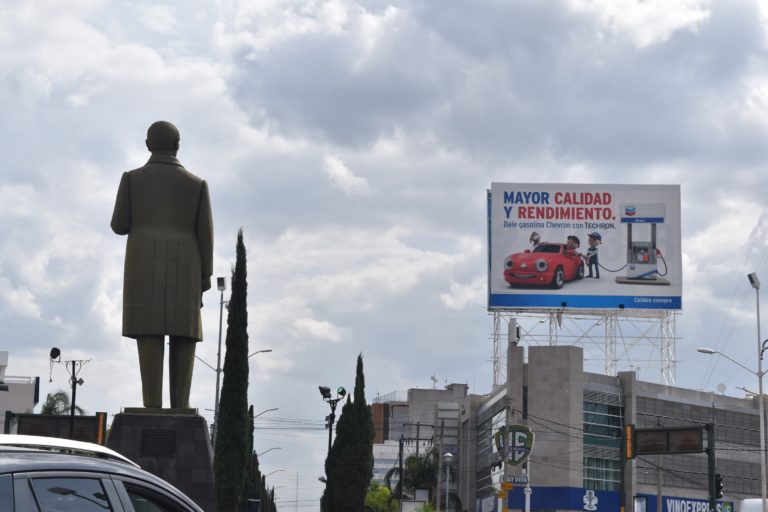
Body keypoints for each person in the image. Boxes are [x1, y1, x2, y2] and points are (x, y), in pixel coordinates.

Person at [111, 121, 213, 409]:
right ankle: (181, 406)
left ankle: (151, 405)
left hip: (143, 266)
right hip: (187, 266)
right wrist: (205, 275)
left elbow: (119, 225)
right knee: (184, 336)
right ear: (177, 145)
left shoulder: (131, 179)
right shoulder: (197, 185)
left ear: (147, 145)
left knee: (149, 334)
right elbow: (205, 233)